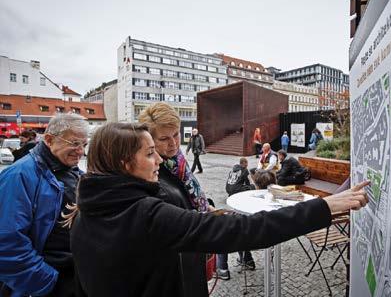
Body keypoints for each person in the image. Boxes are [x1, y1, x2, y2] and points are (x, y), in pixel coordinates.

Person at [69, 122, 369, 297]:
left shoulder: (85, 212)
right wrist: (323, 208)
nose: (159, 160)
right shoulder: (145, 213)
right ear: (124, 164)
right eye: (150, 154)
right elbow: (243, 231)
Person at [0, 113, 88, 297]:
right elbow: (7, 243)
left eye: (84, 145)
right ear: (49, 140)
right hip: (47, 283)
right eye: (74, 143)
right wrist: (49, 283)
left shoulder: (72, 171)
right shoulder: (19, 175)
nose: (80, 151)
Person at [139, 103, 210, 296]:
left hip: (192, 253)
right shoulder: (148, 171)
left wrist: (206, 206)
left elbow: (189, 192)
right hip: (174, 267)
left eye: (176, 135)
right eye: (164, 138)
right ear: (149, 139)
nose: (173, 144)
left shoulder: (178, 160)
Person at [217, 158, 256, 280]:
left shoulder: (232, 171)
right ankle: (247, 260)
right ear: (244, 164)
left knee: (224, 231)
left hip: (246, 230)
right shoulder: (245, 173)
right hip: (254, 231)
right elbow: (250, 184)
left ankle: (222, 269)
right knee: (240, 226)